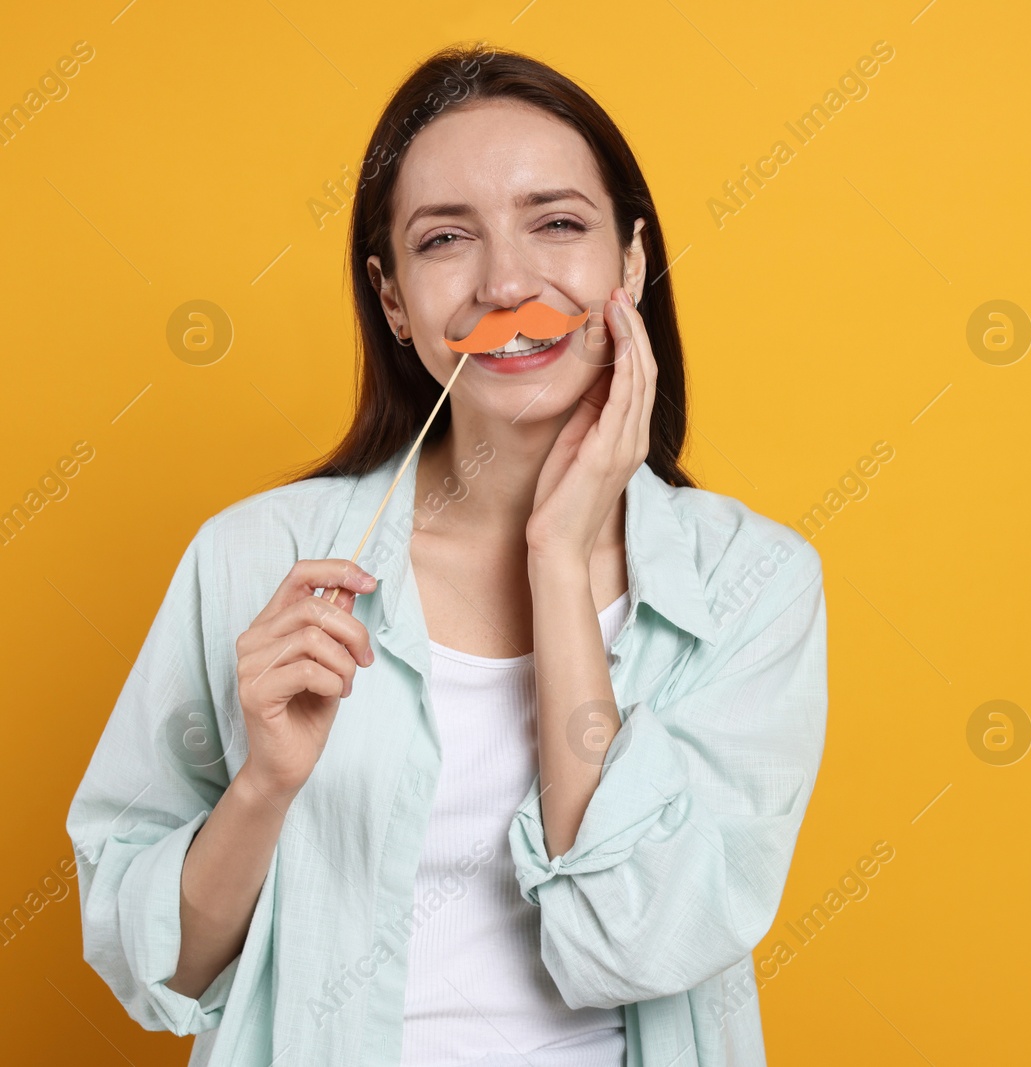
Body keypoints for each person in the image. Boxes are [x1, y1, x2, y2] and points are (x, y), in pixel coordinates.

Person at [65, 42, 828, 1067]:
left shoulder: (754, 582)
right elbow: (165, 967)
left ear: (632, 264)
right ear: (392, 299)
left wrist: (555, 560)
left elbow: (641, 939)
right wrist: (264, 785)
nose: (507, 280)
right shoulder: (252, 559)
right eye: (444, 240)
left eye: (557, 223)